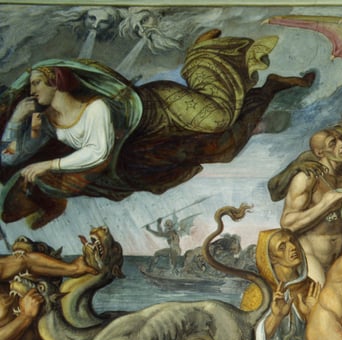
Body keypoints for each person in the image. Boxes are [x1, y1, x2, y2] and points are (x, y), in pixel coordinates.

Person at [1, 32, 314, 228]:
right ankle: (270, 89)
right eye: (31, 86)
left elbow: (97, 152)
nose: (32, 90)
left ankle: (201, 54)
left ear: (56, 81)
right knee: (224, 148)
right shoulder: (47, 123)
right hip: (150, 137)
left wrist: (49, 164)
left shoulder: (95, 108)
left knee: (219, 119)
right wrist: (17, 118)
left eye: (37, 82)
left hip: (162, 106)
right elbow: (10, 156)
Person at [279, 129, 342, 286]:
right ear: (319, 152)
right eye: (333, 143)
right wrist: (325, 205)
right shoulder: (307, 179)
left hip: (340, 255)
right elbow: (287, 223)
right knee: (322, 296)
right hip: (311, 257)